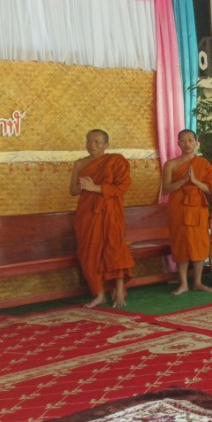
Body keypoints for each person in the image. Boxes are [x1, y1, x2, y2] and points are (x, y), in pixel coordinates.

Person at [70, 129, 134, 308]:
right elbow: (72, 190)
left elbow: (122, 187)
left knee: (114, 249)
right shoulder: (80, 163)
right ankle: (99, 294)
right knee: (89, 252)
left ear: (106, 145)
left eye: (97, 142)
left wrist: (96, 188)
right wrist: (84, 187)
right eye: (89, 141)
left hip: (110, 212)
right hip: (88, 213)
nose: (92, 145)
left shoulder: (116, 161)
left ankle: (119, 291)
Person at [163, 129, 212, 295]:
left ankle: (197, 282)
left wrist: (195, 181)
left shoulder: (203, 164)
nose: (187, 144)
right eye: (183, 141)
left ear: (196, 143)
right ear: (178, 144)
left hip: (197, 209)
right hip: (179, 209)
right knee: (181, 244)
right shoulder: (170, 164)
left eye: (190, 140)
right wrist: (183, 180)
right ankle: (183, 284)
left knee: (198, 244)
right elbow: (166, 188)